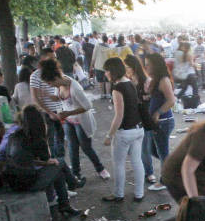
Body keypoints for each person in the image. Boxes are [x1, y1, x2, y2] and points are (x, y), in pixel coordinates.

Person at [0, 106, 80, 217]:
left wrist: (49, 162)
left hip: (13, 181)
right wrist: (46, 135)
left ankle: (65, 202)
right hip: (27, 182)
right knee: (61, 163)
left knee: (58, 170)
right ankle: (72, 185)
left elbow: (29, 160)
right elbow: (46, 157)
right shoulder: (36, 138)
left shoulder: (15, 135)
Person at [42, 60, 109, 182]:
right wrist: (52, 97)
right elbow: (61, 98)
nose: (50, 85)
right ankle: (75, 174)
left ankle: (100, 169)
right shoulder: (60, 84)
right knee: (72, 148)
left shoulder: (75, 87)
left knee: (86, 147)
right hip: (69, 121)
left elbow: (88, 105)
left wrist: (68, 113)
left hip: (80, 121)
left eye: (50, 83)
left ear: (56, 77)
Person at [101, 57, 145, 202]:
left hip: (125, 132)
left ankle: (118, 194)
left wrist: (109, 135)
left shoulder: (117, 88)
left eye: (107, 70)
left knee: (119, 164)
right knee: (137, 161)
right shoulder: (130, 83)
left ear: (112, 71)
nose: (105, 74)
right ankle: (139, 194)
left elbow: (119, 115)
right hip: (138, 129)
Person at [141, 53, 176, 192]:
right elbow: (158, 96)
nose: (146, 67)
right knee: (156, 151)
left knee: (162, 152)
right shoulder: (155, 79)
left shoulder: (163, 80)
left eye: (148, 64)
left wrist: (157, 112)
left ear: (155, 65)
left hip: (163, 121)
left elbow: (171, 101)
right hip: (157, 122)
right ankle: (171, 167)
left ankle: (164, 180)